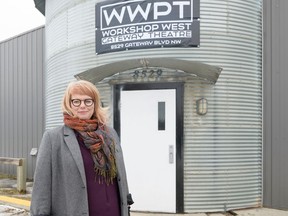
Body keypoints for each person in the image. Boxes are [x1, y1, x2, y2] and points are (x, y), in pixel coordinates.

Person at [30, 80, 133, 216]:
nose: (82, 106)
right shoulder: (53, 138)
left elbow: (120, 179)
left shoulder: (109, 134)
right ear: (69, 104)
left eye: (87, 101)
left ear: (95, 103)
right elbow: (41, 189)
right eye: (76, 101)